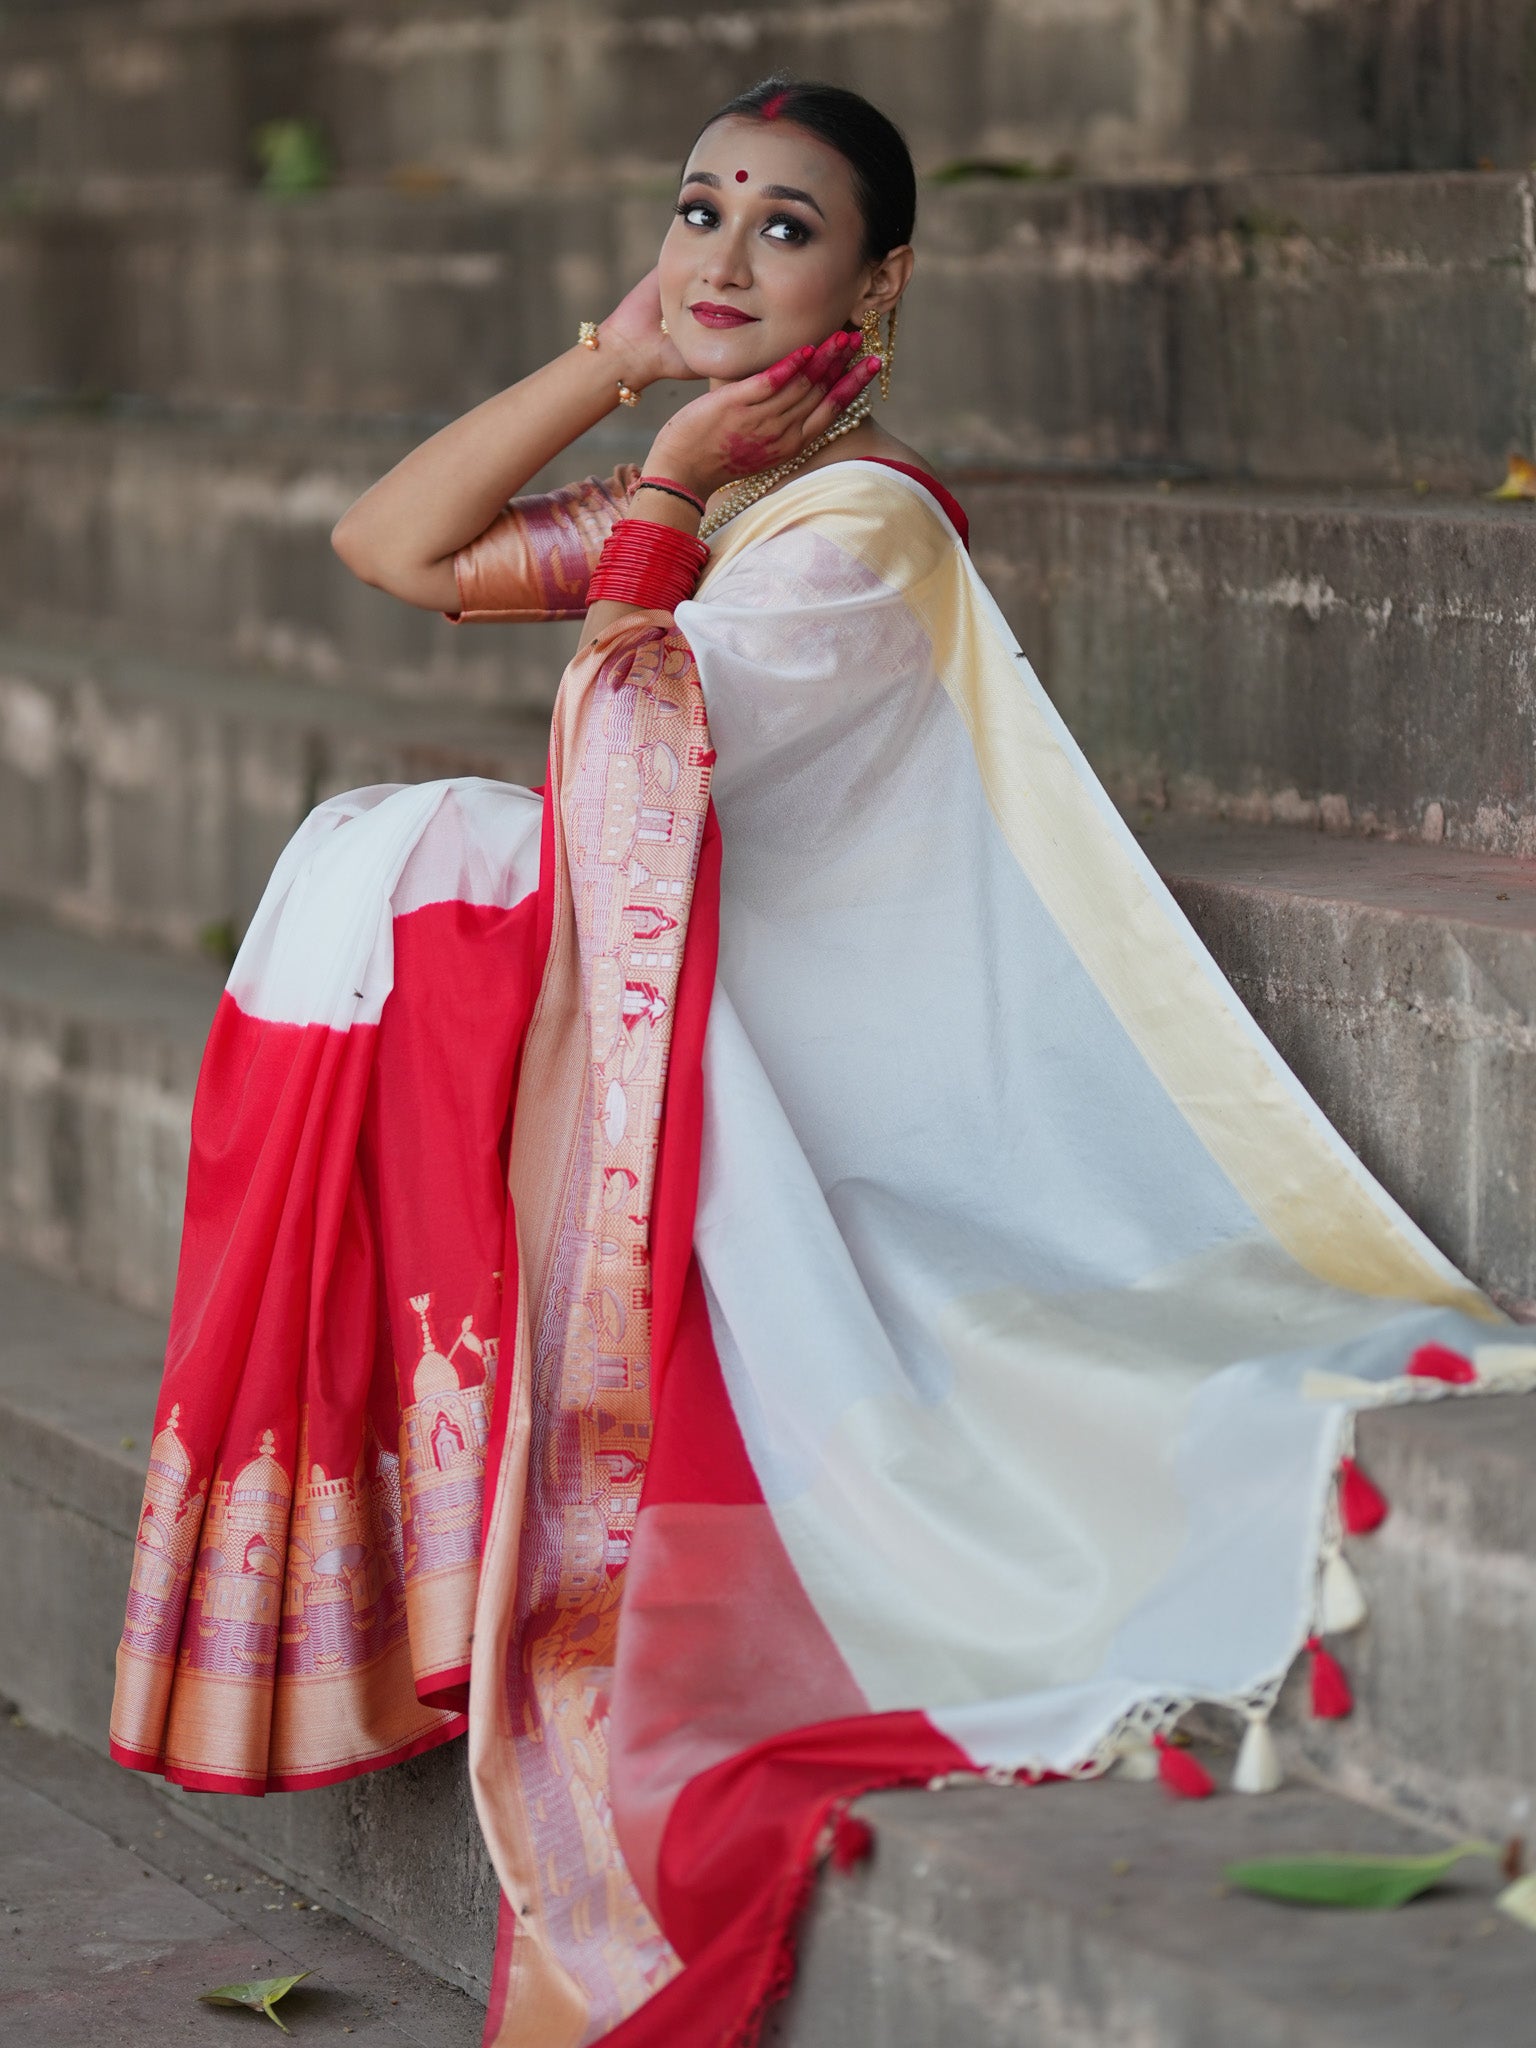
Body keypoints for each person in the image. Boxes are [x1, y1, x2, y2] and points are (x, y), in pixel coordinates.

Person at [110, 75, 1529, 2048]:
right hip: (691, 1024)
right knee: (386, 850)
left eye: (786, 228)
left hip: (798, 1092)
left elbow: (632, 771)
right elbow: (395, 545)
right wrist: (618, 366)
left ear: (880, 287)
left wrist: (671, 480)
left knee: (418, 850)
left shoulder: (857, 529)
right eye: (699, 210)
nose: (724, 254)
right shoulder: (729, 495)